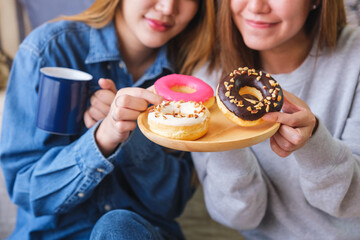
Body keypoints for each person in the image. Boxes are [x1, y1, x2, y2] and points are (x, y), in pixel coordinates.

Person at [0, 0, 216, 239]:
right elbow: (26, 191)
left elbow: (171, 203)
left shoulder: (193, 77)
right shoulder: (50, 51)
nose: (167, 7)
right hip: (54, 234)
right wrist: (101, 140)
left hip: (140, 233)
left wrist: (130, 136)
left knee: (117, 227)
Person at [191, 0, 360, 239]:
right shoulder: (207, 86)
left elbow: (354, 202)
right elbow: (239, 216)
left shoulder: (355, 60)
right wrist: (225, 137)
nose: (257, 6)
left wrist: (313, 142)